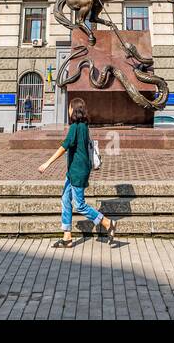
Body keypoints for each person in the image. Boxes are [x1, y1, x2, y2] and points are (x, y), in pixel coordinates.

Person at [38, 97, 116, 248]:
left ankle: (107, 223)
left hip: (77, 172)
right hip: (76, 170)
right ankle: (67, 236)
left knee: (79, 205)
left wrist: (47, 163)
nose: (68, 110)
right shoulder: (84, 126)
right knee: (65, 198)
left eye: (69, 107)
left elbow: (65, 146)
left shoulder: (75, 127)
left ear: (73, 109)